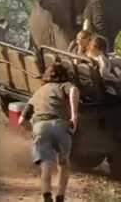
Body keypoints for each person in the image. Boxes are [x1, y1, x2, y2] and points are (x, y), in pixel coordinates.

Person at [18, 63, 80, 202]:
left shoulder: (38, 92)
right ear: (64, 75)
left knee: (46, 164)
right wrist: (74, 115)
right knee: (63, 162)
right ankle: (60, 196)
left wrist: (32, 129)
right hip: (60, 125)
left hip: (40, 127)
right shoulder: (64, 85)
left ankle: (46, 195)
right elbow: (74, 90)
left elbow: (21, 121)